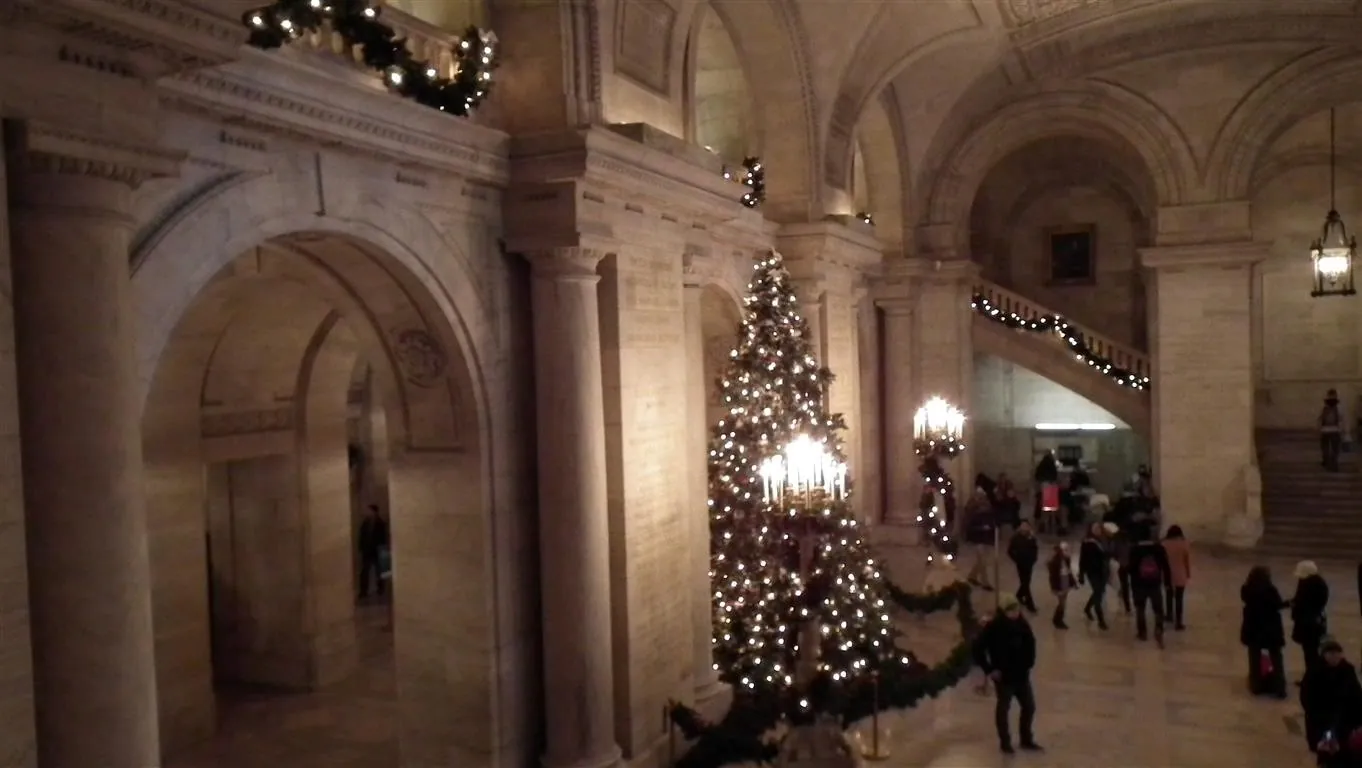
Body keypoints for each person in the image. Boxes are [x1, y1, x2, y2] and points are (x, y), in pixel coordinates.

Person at [972, 593, 1043, 755]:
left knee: (1029, 707)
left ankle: (1026, 739)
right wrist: (990, 670)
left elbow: (1031, 644)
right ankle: (1005, 742)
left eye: (1017, 608)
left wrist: (1029, 663)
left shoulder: (1022, 624)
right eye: (1011, 609)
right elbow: (977, 649)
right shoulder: (994, 627)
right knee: (1003, 709)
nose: (1015, 612)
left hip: (1022, 675)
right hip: (1004, 677)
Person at [1302, 637, 1362, 765]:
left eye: (1337, 653)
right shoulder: (1314, 672)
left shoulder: (1347, 670)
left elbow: (1357, 694)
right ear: (1324, 655)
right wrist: (1320, 718)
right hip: (1322, 721)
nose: (1334, 657)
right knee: (1327, 752)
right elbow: (1307, 698)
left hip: (1345, 719)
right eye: (1331, 654)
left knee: (1346, 752)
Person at [1241, 565, 1288, 698]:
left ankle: (1256, 685)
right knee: (1276, 658)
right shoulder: (1270, 590)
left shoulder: (1246, 590)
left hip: (1253, 629)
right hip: (1271, 629)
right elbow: (1277, 604)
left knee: (1254, 658)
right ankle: (1280, 687)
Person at [1127, 526, 1170, 646]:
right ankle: (1159, 629)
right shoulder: (1158, 548)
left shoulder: (1135, 549)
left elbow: (1130, 568)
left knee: (1140, 608)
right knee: (1158, 609)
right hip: (1154, 582)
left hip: (1139, 583)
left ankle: (1142, 633)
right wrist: (1167, 582)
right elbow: (1165, 566)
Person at [1293, 560, 1331, 681]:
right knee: (1311, 653)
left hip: (1309, 625)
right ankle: (1311, 677)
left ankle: (1313, 679)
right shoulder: (1317, 583)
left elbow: (1302, 602)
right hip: (1313, 622)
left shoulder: (1312, 586)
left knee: (1311, 653)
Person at [1078, 523, 1110, 630]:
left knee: (1099, 592)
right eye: (1095, 528)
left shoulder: (1104, 541)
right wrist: (1081, 574)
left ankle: (1087, 608)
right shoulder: (1087, 543)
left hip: (1103, 571)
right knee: (1098, 594)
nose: (1097, 530)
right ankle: (1101, 620)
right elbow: (1082, 559)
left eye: (1099, 528)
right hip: (1092, 572)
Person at [963, 488, 997, 591]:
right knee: (982, 559)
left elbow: (991, 519)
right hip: (977, 537)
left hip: (986, 536)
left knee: (982, 560)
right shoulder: (971, 508)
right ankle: (985, 582)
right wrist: (981, 527)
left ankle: (972, 576)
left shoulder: (988, 507)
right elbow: (968, 525)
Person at [1161, 525, 1192, 631]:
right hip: (1180, 574)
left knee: (1168, 595)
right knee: (1179, 598)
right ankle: (1179, 622)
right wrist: (1188, 573)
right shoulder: (1184, 544)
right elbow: (1186, 561)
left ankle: (1169, 614)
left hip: (1167, 575)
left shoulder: (1164, 544)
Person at [357, 504, 390, 598]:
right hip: (367, 551)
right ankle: (363, 591)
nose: (367, 513)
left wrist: (383, 550)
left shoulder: (381, 523)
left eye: (369, 511)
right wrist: (361, 548)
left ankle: (380, 589)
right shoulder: (365, 523)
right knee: (364, 572)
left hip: (377, 550)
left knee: (379, 572)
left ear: (374, 511)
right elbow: (361, 537)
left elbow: (384, 538)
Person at [1007, 521, 1039, 613]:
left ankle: (1019, 596)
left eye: (1026, 525)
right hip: (1020, 563)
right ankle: (1030, 604)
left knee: (1026, 582)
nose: (1024, 527)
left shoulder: (1031, 538)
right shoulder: (1015, 538)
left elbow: (1035, 549)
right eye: (1023, 525)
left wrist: (1034, 559)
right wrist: (1016, 559)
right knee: (1025, 583)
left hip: (1029, 563)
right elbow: (1010, 551)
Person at [1046, 542, 1077, 630]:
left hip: (1065, 583)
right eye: (1066, 550)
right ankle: (1058, 620)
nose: (1068, 552)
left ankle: (1058, 619)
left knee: (1063, 603)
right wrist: (1054, 588)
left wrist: (1073, 583)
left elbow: (1069, 571)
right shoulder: (1055, 562)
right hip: (1059, 584)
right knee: (1062, 603)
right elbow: (1052, 576)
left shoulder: (1067, 560)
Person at [1034, 451, 1060, 534]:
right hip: (1051, 487)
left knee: (1044, 507)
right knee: (1051, 507)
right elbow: (1055, 476)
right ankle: (1051, 523)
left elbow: (1037, 476)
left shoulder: (1041, 465)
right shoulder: (1051, 465)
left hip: (1044, 486)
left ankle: (1043, 523)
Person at [1322, 389, 1345, 471]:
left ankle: (1326, 462)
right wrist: (1342, 431)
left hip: (1325, 430)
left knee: (1326, 448)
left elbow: (1320, 418)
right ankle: (1333, 465)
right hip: (1335, 430)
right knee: (1335, 449)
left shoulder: (1324, 406)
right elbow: (1341, 419)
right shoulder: (1338, 406)